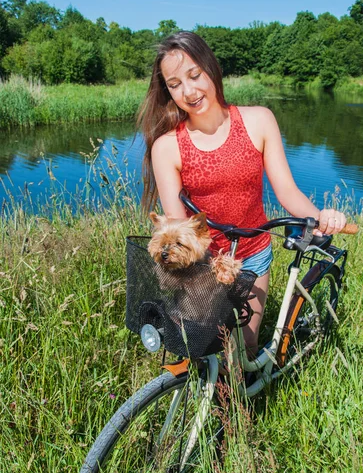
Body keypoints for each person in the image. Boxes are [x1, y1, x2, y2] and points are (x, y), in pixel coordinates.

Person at [138, 31, 347, 357]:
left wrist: (320, 217)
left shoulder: (259, 120)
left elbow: (287, 192)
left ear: (212, 69)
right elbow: (177, 227)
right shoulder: (167, 147)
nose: (189, 91)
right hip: (204, 266)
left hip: (253, 255)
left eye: (195, 75)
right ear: (166, 89)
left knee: (246, 346)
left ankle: (243, 401)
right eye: (175, 83)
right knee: (204, 348)